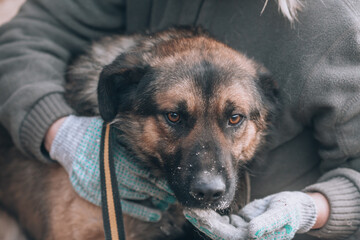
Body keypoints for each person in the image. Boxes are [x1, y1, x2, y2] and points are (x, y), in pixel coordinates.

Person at [0, 0, 359, 239]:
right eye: (175, 116)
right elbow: (26, 39)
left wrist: (311, 208)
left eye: (233, 119)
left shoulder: (337, 25)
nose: (208, 179)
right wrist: (58, 132)